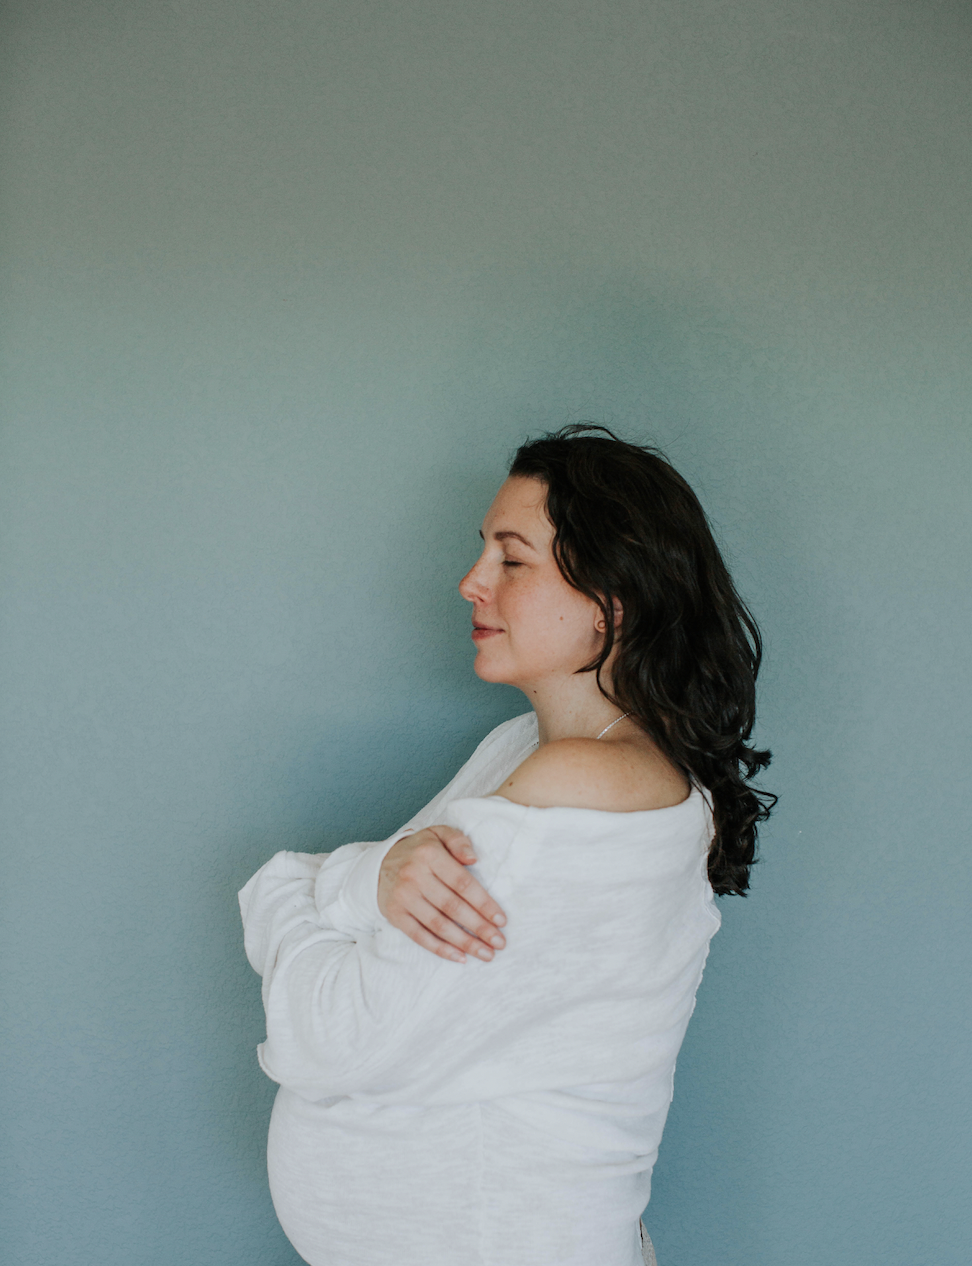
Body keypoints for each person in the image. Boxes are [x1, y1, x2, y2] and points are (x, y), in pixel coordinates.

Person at [239, 425, 774, 1266]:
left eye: (511, 560)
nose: (470, 582)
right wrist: (369, 878)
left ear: (612, 600)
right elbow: (384, 918)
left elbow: (328, 1039)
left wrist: (303, 882)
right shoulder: (525, 751)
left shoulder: (575, 786)